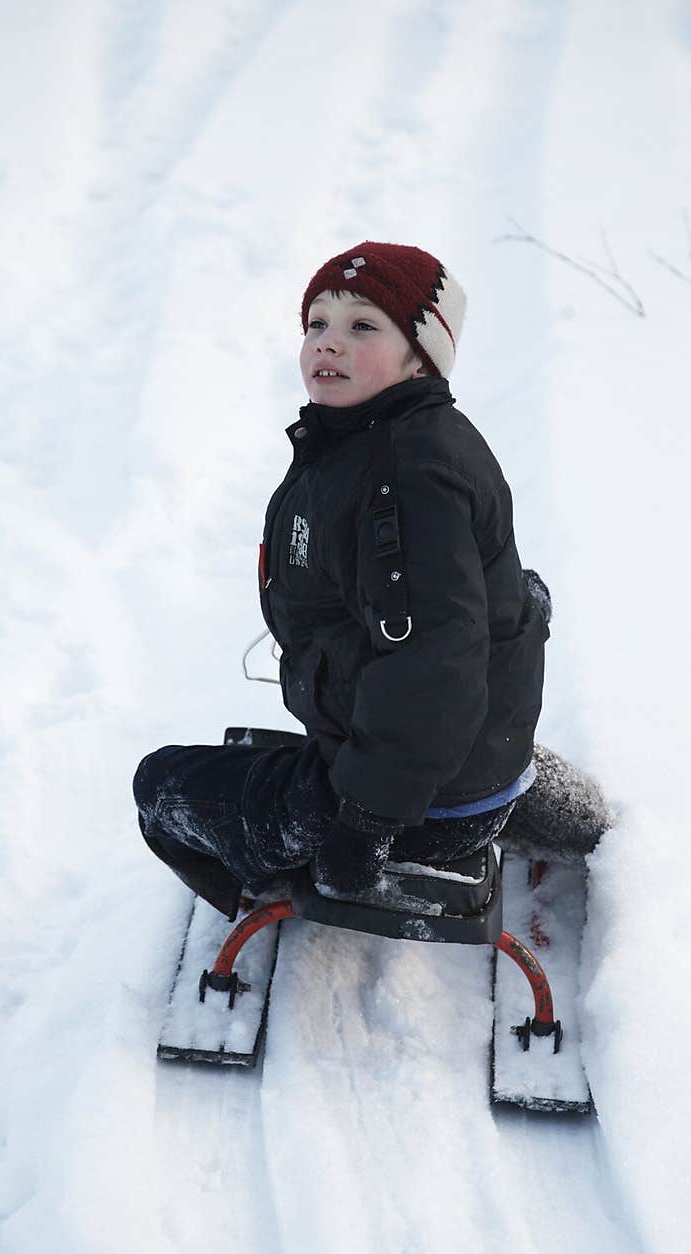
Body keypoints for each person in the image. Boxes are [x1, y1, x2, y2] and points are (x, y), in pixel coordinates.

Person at [133, 241, 606, 920]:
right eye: (316, 323)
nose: (328, 343)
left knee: (157, 786)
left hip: (410, 809)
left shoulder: (401, 479)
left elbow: (433, 665)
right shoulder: (406, 437)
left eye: (363, 326)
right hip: (468, 758)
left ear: (421, 355)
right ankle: (514, 796)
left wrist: (362, 822)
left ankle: (272, 878)